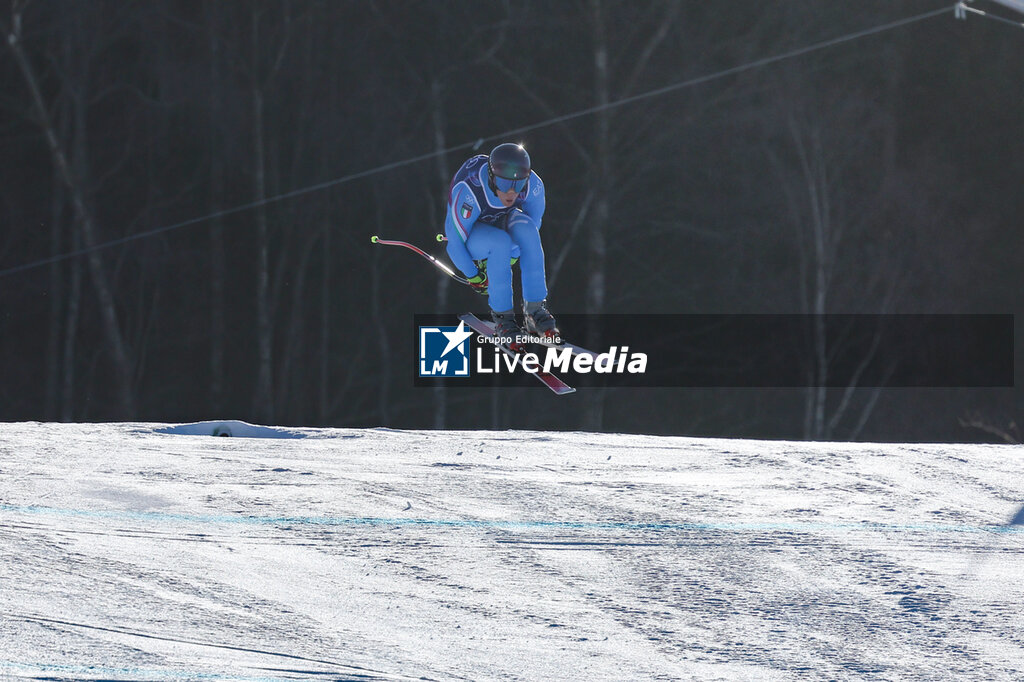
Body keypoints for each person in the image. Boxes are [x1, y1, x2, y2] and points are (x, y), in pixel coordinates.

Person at [443, 143, 558, 348]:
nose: (512, 192)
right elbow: (454, 244)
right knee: (499, 242)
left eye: (519, 184)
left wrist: (514, 254)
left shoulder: (534, 186)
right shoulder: (469, 191)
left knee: (528, 232)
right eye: (504, 185)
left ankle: (535, 310)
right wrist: (474, 275)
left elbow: (535, 223)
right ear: (491, 177)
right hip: (473, 233)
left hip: (502, 219)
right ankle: (503, 319)